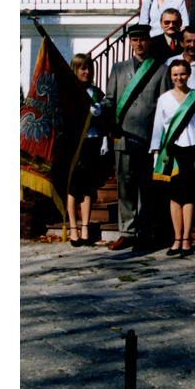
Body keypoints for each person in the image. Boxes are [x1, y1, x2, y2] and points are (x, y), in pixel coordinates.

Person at [101, 24, 170, 250]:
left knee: (146, 187)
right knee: (125, 185)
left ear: (149, 41)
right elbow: (110, 99)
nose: (139, 44)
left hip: (148, 138)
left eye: (142, 39)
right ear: (130, 42)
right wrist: (100, 108)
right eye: (135, 40)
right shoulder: (118, 68)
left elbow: (165, 106)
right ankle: (127, 232)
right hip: (123, 136)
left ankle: (144, 230)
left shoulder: (161, 70)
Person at [149, 58, 195, 257]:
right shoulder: (164, 99)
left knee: (189, 195)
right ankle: (176, 238)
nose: (179, 78)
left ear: (189, 74)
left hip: (191, 150)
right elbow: (158, 128)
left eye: (182, 74)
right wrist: (156, 154)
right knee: (174, 196)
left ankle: (187, 238)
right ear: (170, 76)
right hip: (170, 152)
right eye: (175, 74)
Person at [66, 54, 106, 247]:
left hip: (92, 141)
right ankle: (73, 227)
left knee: (88, 187)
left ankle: (85, 227)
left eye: (89, 68)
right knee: (73, 187)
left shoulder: (97, 93)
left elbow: (105, 119)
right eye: (83, 68)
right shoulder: (68, 91)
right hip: (74, 143)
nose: (87, 72)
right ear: (75, 69)